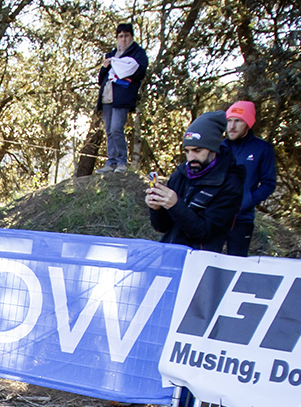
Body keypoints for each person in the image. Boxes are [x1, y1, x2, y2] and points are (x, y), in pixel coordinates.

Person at [146, 110, 244, 252]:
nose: (191, 158)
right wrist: (157, 209)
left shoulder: (230, 184)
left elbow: (204, 233)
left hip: (201, 263)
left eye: (197, 151)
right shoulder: (179, 175)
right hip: (170, 255)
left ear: (213, 149)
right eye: (187, 151)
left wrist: (175, 205)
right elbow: (162, 228)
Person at [221, 101, 277, 257]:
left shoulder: (262, 149)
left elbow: (269, 183)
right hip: (215, 218)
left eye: (238, 121)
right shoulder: (220, 147)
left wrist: (247, 201)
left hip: (242, 220)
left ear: (248, 123)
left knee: (235, 263)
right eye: (229, 120)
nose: (231, 126)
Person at [95, 23, 148, 174]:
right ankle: (111, 162)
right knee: (109, 131)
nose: (123, 39)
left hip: (122, 96)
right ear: (117, 38)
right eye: (120, 36)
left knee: (117, 128)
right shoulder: (111, 55)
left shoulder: (137, 53)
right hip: (107, 96)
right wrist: (105, 67)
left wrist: (124, 68)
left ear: (131, 37)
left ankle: (122, 162)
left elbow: (140, 73)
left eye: (126, 36)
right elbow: (101, 79)